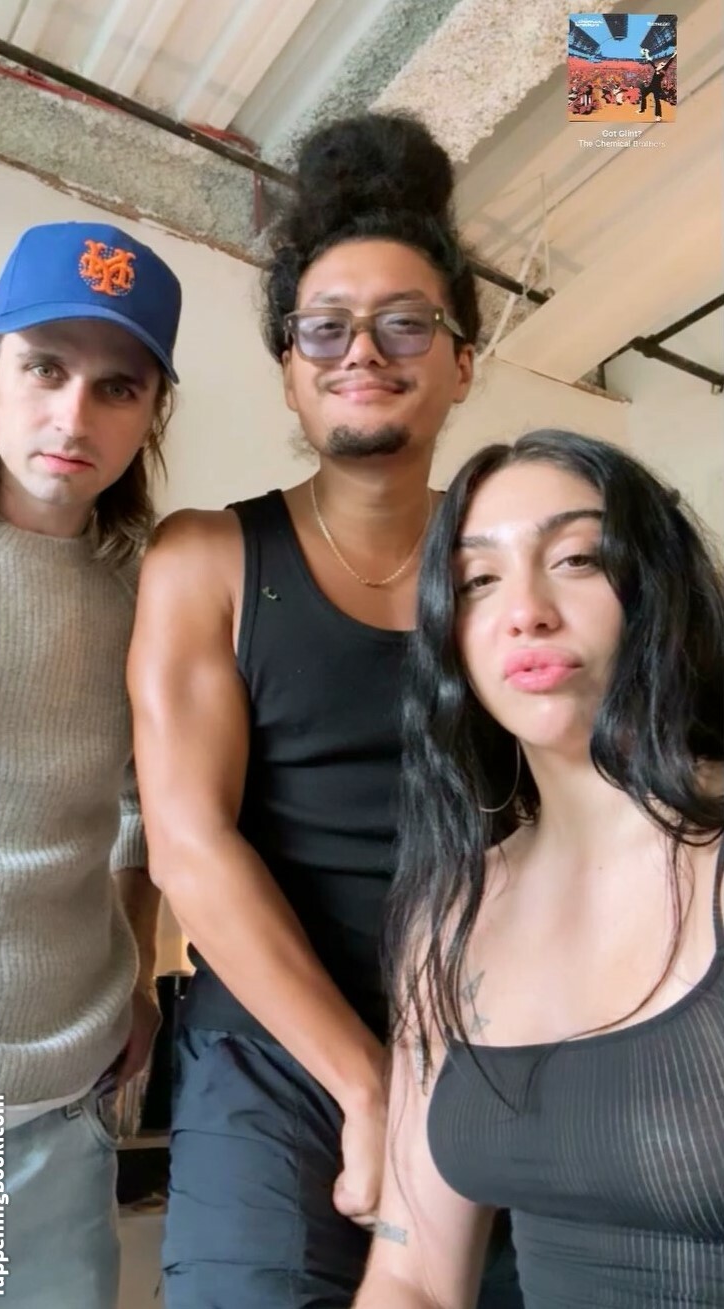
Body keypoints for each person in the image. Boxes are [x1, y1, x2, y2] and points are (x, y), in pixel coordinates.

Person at [128, 113, 521, 1308]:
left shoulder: (517, 561)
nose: (364, 352)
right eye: (325, 327)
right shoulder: (206, 558)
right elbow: (190, 844)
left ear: (461, 360)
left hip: (503, 1034)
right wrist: (365, 1083)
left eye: (406, 322)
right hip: (269, 1047)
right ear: (290, 370)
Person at [353, 429, 724, 1309]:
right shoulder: (449, 912)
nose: (524, 610)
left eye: (576, 558)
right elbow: (411, 1274)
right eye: (477, 580)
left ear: (658, 585)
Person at [0, 220, 182, 1308]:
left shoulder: (151, 593)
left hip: (57, 1097)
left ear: (151, 414)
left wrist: (140, 972)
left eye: (117, 387)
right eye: (45, 368)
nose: (73, 416)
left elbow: (144, 803)